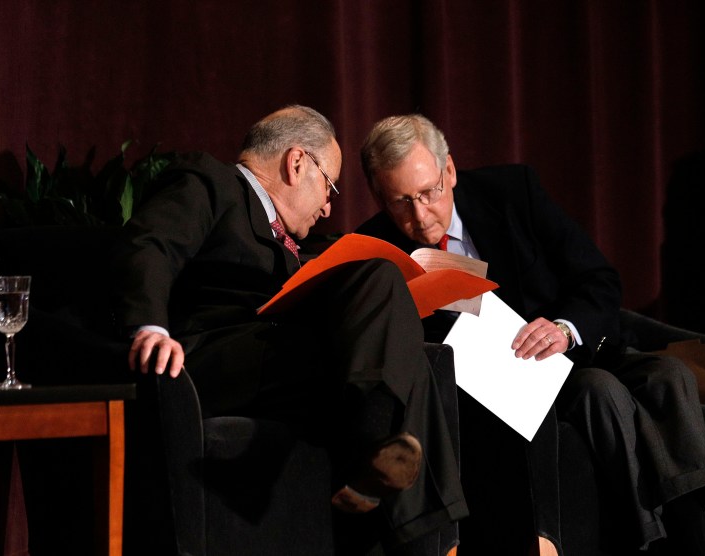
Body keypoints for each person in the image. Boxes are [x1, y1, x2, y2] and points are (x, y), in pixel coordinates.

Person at [356, 114, 705, 556]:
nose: (419, 214)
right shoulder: (376, 249)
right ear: (378, 195)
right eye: (400, 201)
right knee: (600, 392)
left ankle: (695, 537)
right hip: (504, 385)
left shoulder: (512, 194)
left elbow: (598, 279)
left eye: (429, 192)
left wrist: (565, 330)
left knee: (670, 375)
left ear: (449, 170)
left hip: (577, 348)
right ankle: (649, 542)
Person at [110, 106, 467, 555]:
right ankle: (396, 482)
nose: (329, 205)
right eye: (330, 186)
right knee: (382, 323)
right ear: (298, 163)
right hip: (213, 359)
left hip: (284, 358)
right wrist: (150, 327)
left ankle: (380, 469)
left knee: (391, 309)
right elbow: (149, 244)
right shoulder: (213, 183)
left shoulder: (302, 243)